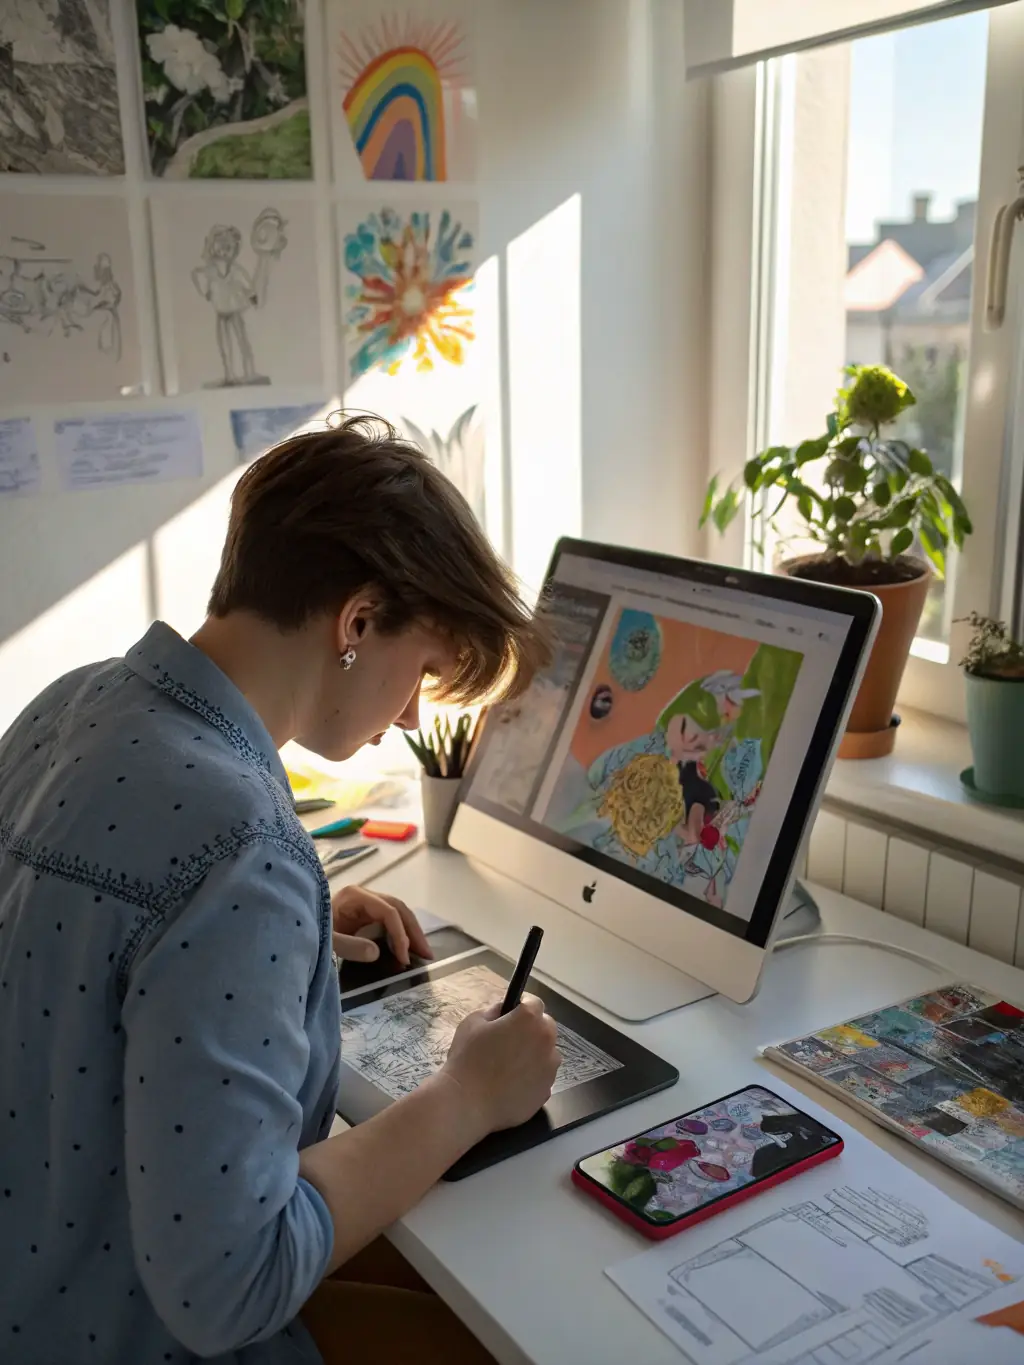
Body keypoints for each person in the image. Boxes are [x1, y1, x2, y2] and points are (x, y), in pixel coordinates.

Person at [0, 415, 561, 1365]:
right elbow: (231, 1281)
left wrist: (284, 939)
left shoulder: (74, 701)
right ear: (356, 620)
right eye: (423, 671)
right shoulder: (238, 849)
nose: (411, 716)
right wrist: (467, 1095)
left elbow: (88, 950)